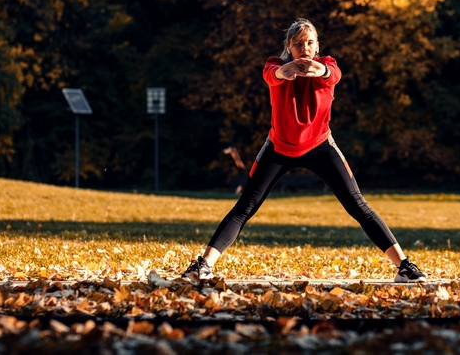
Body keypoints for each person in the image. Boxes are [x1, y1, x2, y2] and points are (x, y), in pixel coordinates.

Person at [181, 18, 427, 282]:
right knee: (245, 207)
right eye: (298, 44)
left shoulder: (327, 65)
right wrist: (284, 71)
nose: (305, 48)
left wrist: (318, 71)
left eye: (310, 42)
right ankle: (203, 265)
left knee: (358, 205)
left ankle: (404, 267)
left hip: (320, 145)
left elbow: (333, 74)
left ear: (317, 45)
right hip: (279, 147)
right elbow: (271, 75)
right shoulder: (275, 64)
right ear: (289, 46)